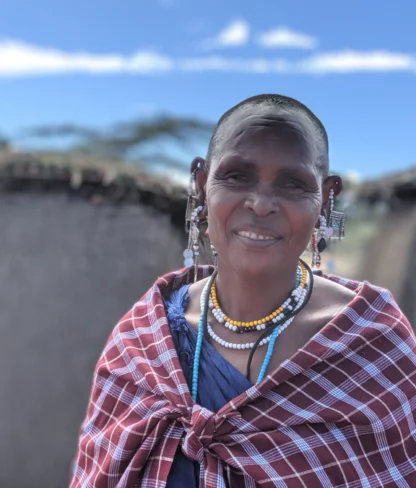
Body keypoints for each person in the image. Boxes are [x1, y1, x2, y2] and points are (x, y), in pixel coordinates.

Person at [70, 95, 416, 488]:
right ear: (202, 186)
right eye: (236, 176)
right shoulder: (142, 343)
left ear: (325, 200)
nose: (262, 203)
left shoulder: (372, 347)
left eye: (292, 183)